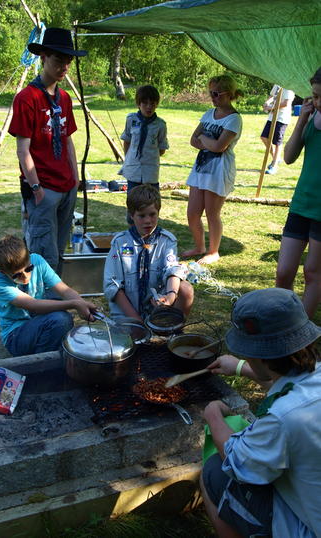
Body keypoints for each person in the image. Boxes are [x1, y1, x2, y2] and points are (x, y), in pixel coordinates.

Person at [201, 287, 321, 538]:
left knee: (213, 472)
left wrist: (213, 415)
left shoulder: (282, 419)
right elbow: (291, 385)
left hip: (308, 527)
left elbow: (236, 461)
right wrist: (240, 368)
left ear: (258, 354)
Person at [8, 28, 87, 275]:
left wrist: (75, 178)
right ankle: (41, 297)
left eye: (68, 61)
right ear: (43, 57)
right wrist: (36, 189)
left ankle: (55, 294)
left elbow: (67, 140)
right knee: (43, 254)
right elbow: (23, 150)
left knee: (60, 251)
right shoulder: (27, 98)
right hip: (43, 188)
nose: (64, 66)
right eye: (58, 60)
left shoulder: (64, 98)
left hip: (66, 186)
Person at [0, 235, 97, 357]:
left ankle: (48, 353)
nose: (25, 277)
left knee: (60, 316)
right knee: (61, 319)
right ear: (3, 271)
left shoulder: (37, 260)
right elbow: (33, 305)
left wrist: (83, 305)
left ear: (29, 256)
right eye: (17, 275)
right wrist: (75, 304)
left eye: (28, 269)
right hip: (15, 335)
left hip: (39, 322)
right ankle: (41, 362)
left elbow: (64, 290)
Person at [103, 185, 193, 322]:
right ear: (131, 215)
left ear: (158, 212)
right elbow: (113, 286)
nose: (147, 221)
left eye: (152, 214)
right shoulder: (120, 243)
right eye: (141, 216)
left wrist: (170, 297)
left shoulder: (167, 241)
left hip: (157, 310)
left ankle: (173, 327)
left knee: (186, 289)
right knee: (135, 335)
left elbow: (172, 270)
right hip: (127, 313)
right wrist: (136, 321)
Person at [182, 74, 243, 265]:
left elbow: (219, 147)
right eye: (211, 93)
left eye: (216, 93)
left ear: (229, 94)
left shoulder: (234, 119)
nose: (212, 97)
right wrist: (208, 142)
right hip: (201, 168)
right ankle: (199, 247)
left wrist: (204, 139)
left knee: (212, 213)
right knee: (192, 213)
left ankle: (213, 252)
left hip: (219, 171)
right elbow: (193, 140)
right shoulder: (209, 114)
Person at [276, 67, 321, 318]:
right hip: (301, 204)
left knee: (313, 273)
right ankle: (284, 321)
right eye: (315, 96)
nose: (318, 102)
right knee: (283, 272)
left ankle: (302, 329)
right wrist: (302, 120)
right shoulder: (311, 117)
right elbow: (289, 156)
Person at [118, 84, 169, 195]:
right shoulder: (131, 120)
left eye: (152, 103)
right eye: (145, 103)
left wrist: (148, 156)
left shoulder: (160, 125)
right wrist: (129, 158)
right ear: (138, 104)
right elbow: (127, 141)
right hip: (133, 170)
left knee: (151, 201)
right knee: (133, 200)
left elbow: (162, 149)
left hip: (150, 172)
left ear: (157, 104)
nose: (149, 107)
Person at [260, 84, 295, 175]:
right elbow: (272, 96)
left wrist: (271, 107)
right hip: (272, 117)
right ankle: (276, 157)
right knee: (264, 137)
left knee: (277, 142)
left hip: (282, 118)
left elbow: (286, 103)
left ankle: (274, 165)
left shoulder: (289, 88)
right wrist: (267, 103)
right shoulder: (277, 84)